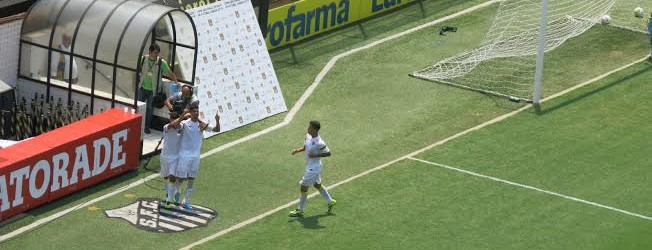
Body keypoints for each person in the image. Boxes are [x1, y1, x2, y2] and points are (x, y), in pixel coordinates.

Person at [174, 107, 220, 210]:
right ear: (190, 113)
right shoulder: (185, 123)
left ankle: (186, 201)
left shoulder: (202, 124)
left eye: (197, 112)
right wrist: (182, 116)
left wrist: (217, 120)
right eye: (194, 112)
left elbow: (217, 130)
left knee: (191, 179)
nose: (196, 113)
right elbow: (175, 125)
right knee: (181, 178)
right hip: (184, 155)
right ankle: (177, 190)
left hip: (195, 156)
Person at [289, 120, 336, 217]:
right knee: (317, 185)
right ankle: (330, 201)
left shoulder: (320, 143)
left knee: (303, 187)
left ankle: (300, 210)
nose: (308, 128)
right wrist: (297, 150)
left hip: (314, 168)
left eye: (310, 127)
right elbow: (305, 147)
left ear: (314, 129)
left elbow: (328, 153)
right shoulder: (307, 136)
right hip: (311, 166)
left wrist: (315, 155)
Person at [138, 43, 179, 134]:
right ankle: (136, 125)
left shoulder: (160, 62)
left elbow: (169, 72)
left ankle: (146, 127)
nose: (156, 55)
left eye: (157, 53)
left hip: (154, 90)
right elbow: (136, 70)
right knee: (138, 107)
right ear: (150, 51)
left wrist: (176, 81)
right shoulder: (143, 59)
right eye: (154, 52)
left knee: (149, 109)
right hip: (142, 88)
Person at [160, 111, 183, 208]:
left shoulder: (181, 126)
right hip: (164, 156)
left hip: (175, 157)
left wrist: (181, 117)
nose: (172, 120)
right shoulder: (166, 127)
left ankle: (169, 200)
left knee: (172, 177)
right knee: (165, 177)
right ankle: (169, 194)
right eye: (171, 118)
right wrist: (183, 115)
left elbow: (177, 125)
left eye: (174, 118)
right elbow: (172, 125)